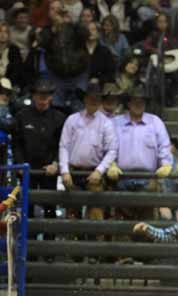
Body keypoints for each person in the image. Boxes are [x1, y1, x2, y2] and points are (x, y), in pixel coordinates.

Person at [107, 85, 173, 219]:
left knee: (146, 221)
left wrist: (166, 164)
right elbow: (108, 147)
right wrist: (111, 164)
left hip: (148, 179)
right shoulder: (115, 123)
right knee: (122, 219)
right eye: (135, 101)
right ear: (128, 103)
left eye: (142, 101)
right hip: (121, 178)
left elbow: (164, 147)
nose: (138, 104)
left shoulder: (155, 122)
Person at [58, 80, 118, 220]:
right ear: (84, 99)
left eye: (97, 98)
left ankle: (94, 240)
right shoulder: (72, 120)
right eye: (91, 97)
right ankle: (73, 239)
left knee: (96, 214)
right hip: (73, 171)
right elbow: (64, 146)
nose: (94, 100)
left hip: (94, 172)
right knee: (72, 215)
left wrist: (99, 170)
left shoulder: (106, 123)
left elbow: (112, 150)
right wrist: (65, 171)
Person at [13, 79, 65, 226]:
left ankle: (50, 245)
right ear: (33, 96)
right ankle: (27, 244)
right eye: (39, 95)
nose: (43, 99)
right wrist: (19, 163)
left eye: (46, 96)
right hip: (26, 170)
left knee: (50, 208)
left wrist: (55, 163)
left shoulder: (59, 118)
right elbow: (17, 143)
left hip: (49, 171)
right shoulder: (21, 116)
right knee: (26, 208)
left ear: (51, 97)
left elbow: (62, 145)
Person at [39, 0, 90, 110]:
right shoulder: (46, 30)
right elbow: (44, 43)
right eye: (53, 9)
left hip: (78, 75)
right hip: (57, 77)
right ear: (48, 13)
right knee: (57, 109)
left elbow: (85, 35)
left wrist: (71, 22)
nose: (56, 12)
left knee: (78, 108)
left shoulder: (73, 27)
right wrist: (54, 30)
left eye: (59, 9)